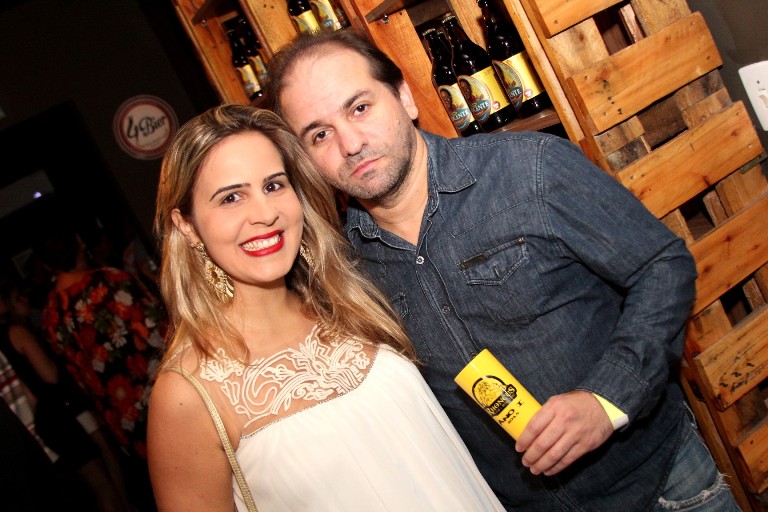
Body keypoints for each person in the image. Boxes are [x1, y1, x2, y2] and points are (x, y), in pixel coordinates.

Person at [262, 29, 741, 511]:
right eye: (319, 134)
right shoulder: (347, 273)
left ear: (404, 97)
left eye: (360, 107)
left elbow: (660, 266)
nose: (350, 143)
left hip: (663, 485)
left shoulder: (529, 168)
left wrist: (606, 399)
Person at [148, 104, 504, 512]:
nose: (265, 214)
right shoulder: (186, 394)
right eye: (231, 197)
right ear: (187, 226)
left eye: (274, 186)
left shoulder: (352, 302)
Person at [0, 277, 133, 512]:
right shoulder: (15, 332)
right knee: (102, 483)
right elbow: (50, 375)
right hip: (56, 414)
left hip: (39, 425)